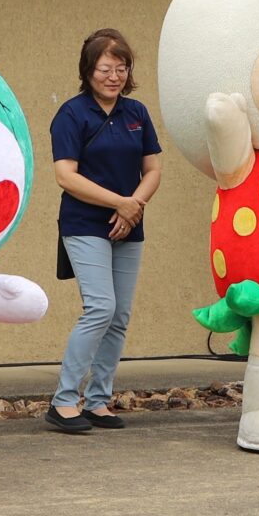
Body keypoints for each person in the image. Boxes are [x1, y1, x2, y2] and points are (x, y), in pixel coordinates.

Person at [45, 28, 163, 433]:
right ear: (89, 70)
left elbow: (153, 169)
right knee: (100, 307)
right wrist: (120, 203)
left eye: (121, 67)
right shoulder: (72, 114)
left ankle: (97, 400)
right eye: (105, 68)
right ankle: (63, 401)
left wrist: (133, 208)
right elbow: (65, 176)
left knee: (120, 315)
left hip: (129, 222)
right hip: (85, 223)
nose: (114, 76)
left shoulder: (137, 113)